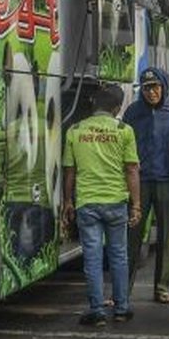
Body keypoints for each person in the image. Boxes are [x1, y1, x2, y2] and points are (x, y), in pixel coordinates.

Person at [62, 85, 140, 326]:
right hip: (116, 202)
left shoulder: (75, 131)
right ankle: (122, 308)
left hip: (87, 203)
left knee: (92, 259)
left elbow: (69, 171)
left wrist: (67, 201)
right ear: (117, 109)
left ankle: (96, 311)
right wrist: (136, 204)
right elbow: (131, 169)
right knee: (119, 256)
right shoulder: (123, 130)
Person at [123, 67, 169, 304]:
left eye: (155, 87)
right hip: (140, 182)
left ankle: (162, 288)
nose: (151, 92)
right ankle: (123, 290)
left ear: (163, 86)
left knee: (167, 237)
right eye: (146, 88)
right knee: (132, 237)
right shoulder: (133, 111)